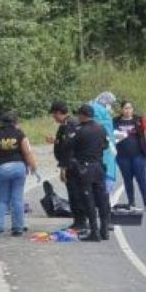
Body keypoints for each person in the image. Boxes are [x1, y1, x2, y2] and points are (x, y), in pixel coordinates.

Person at [0, 111, 39, 236]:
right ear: (15, 122)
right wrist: (34, 168)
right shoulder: (19, 134)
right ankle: (18, 228)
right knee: (17, 199)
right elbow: (27, 152)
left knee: (1, 199)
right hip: (19, 168)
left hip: (2, 169)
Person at [71, 104, 111, 241]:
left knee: (88, 200)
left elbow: (70, 148)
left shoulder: (79, 130)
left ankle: (94, 231)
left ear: (82, 115)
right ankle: (104, 229)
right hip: (99, 166)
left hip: (85, 167)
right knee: (102, 198)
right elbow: (105, 145)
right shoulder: (101, 128)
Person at [49, 101, 87, 231]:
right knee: (74, 193)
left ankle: (81, 221)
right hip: (72, 164)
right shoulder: (66, 125)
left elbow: (69, 149)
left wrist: (63, 168)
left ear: (59, 113)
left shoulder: (70, 124)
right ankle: (78, 220)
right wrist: (56, 141)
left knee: (76, 193)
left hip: (73, 165)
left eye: (54, 115)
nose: (54, 118)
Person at [113, 100, 146, 211]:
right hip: (122, 156)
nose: (128, 110)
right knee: (127, 180)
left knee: (141, 178)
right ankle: (131, 202)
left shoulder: (138, 119)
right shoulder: (115, 121)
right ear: (121, 110)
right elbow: (111, 134)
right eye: (125, 108)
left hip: (138, 155)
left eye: (130, 108)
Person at [91, 92, 118, 192]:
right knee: (106, 174)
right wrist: (110, 142)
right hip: (104, 148)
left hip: (105, 146)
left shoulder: (98, 109)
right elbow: (101, 127)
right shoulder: (98, 110)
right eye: (110, 103)